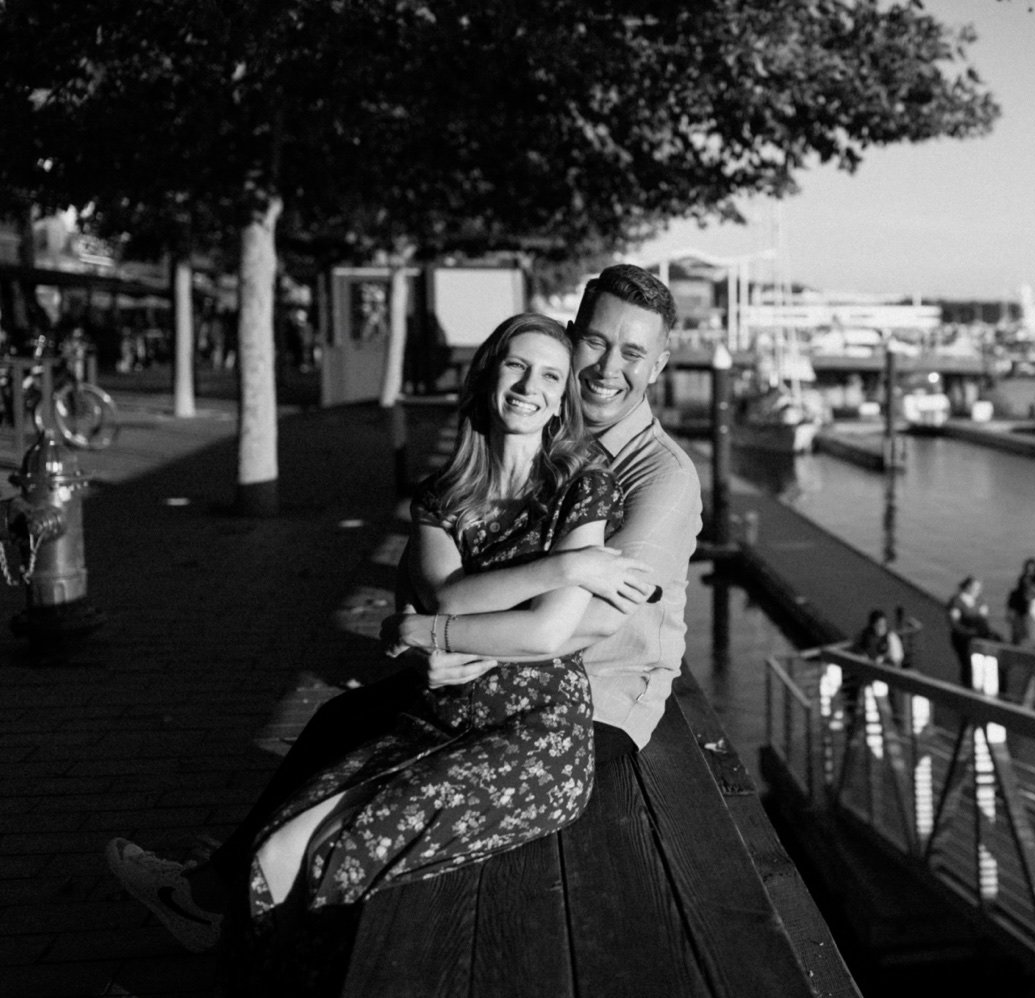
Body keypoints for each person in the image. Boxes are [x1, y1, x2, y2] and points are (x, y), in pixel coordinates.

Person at [105, 265, 702, 958]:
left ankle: (237, 910)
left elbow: (593, 620)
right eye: (595, 343)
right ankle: (214, 896)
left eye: (632, 353)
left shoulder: (660, 476)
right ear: (571, 339)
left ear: (659, 363)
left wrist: (443, 635)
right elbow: (447, 565)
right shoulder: (543, 444)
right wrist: (431, 635)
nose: (606, 368)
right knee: (340, 719)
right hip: (489, 672)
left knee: (372, 804)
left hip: (598, 698)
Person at [946, 576, 996, 689]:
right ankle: (968, 687)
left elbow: (984, 619)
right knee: (967, 664)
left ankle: (978, 686)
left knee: (980, 663)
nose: (978, 591)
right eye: (976, 588)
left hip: (978, 638)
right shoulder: (957, 601)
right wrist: (968, 632)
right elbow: (954, 622)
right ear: (968, 587)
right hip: (963, 639)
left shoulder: (979, 601)